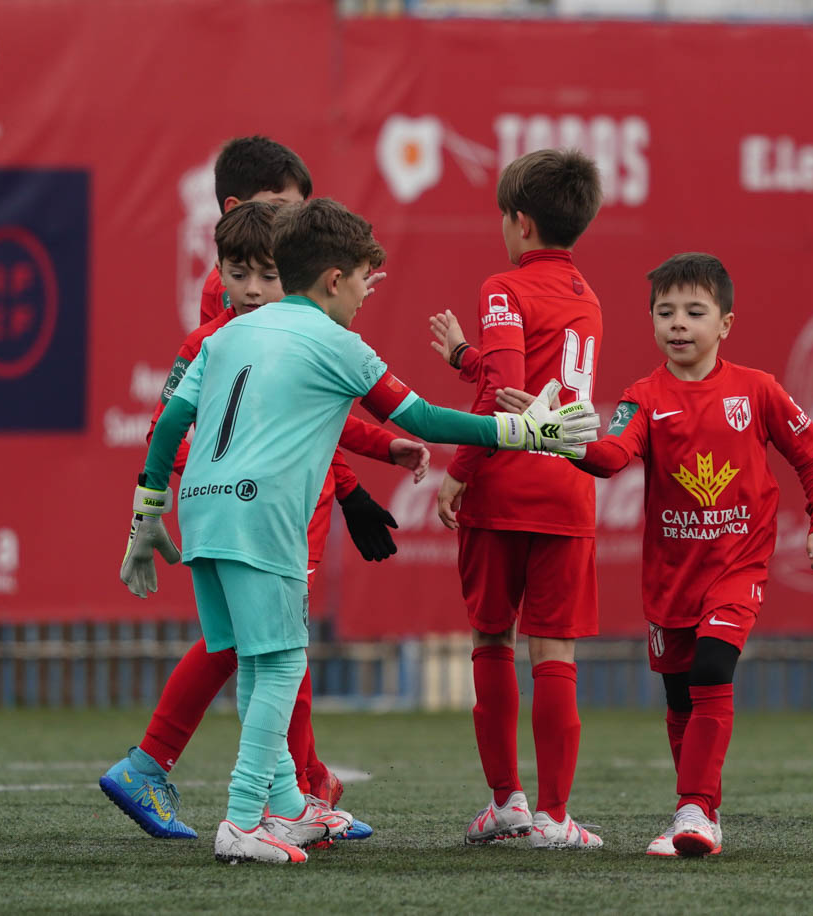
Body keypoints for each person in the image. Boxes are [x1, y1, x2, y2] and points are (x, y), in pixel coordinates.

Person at [118, 198, 600, 865]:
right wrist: (528, 430)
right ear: (334, 280)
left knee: (255, 658)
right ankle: (240, 819)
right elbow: (425, 419)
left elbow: (172, 423)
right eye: (366, 283)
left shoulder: (226, 334)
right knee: (283, 659)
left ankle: (286, 805)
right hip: (263, 515)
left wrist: (147, 511)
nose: (366, 300)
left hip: (200, 508)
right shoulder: (335, 342)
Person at [99, 141, 416, 843]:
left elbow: (310, 409)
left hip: (267, 492)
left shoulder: (271, 296)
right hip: (257, 499)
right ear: (241, 219)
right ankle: (265, 798)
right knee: (269, 648)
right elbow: (228, 420)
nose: (259, 279)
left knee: (260, 647)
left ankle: (292, 789)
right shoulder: (247, 310)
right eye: (288, 212)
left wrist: (371, 455)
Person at [495, 252, 813, 858]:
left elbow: (809, 453)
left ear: (725, 324)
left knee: (712, 670)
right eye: (665, 312)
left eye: (694, 311)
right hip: (670, 575)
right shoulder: (643, 397)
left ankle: (696, 812)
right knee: (680, 699)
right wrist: (555, 433)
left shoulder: (757, 390)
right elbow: (609, 456)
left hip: (738, 567)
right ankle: (698, 807)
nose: (678, 323)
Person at [427, 148, 606, 849]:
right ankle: (558, 818)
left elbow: (497, 394)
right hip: (567, 489)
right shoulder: (588, 297)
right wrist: (467, 354)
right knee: (554, 651)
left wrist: (459, 470)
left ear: (521, 222)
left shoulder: (504, 288)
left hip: (503, 488)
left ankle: (507, 803)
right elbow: (521, 379)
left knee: (492, 639)